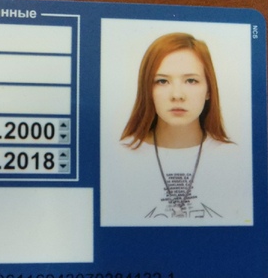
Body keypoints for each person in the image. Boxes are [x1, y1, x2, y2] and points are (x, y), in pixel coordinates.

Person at [101, 33, 253, 225]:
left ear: (209, 90)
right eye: (162, 81)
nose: (177, 95)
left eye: (191, 80)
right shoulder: (118, 157)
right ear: (147, 90)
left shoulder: (235, 159)